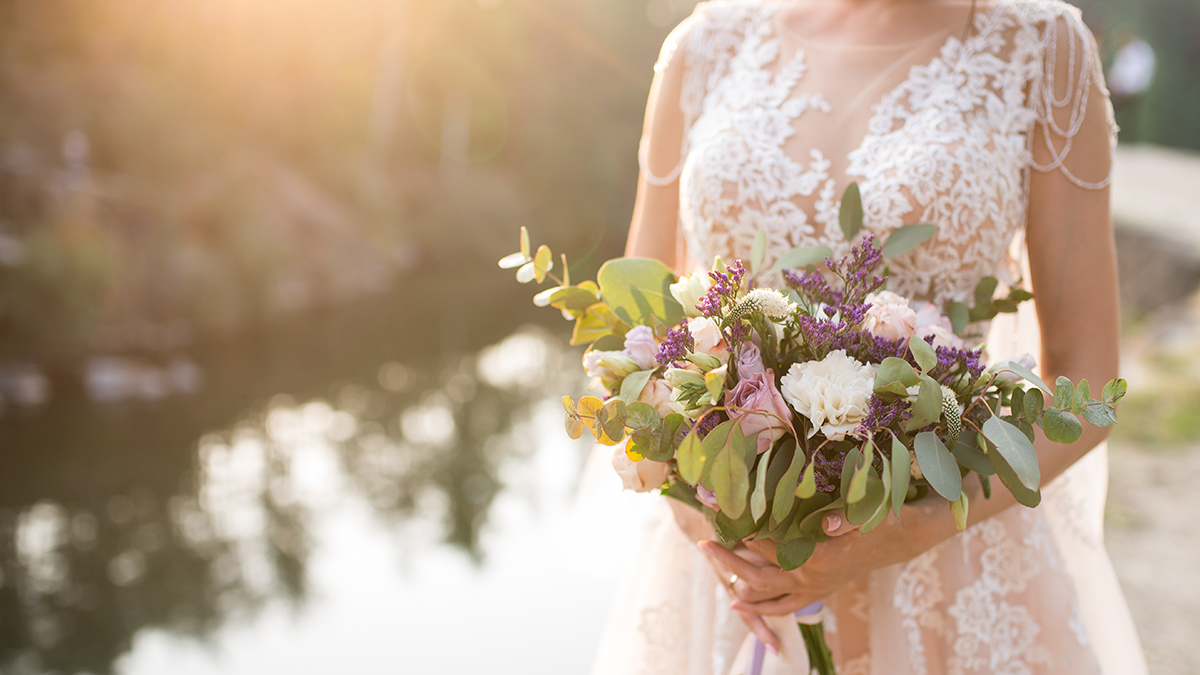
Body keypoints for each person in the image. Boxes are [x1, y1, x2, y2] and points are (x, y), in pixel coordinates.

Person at [593, 0, 1150, 673]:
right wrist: (707, 519)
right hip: (731, 564)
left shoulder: (1042, 50)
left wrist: (911, 528)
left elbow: (1086, 379)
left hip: (950, 560)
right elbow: (635, 338)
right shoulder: (704, 47)